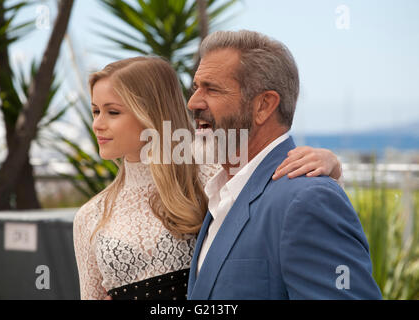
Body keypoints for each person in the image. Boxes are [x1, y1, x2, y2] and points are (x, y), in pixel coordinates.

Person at [73, 56, 343, 300]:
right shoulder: (91, 216)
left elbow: (285, 203)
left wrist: (332, 165)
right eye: (96, 110)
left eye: (113, 112)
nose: (97, 123)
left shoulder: (213, 176)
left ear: (150, 113)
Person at [187, 30, 382, 300]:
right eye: (196, 87)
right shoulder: (221, 194)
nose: (193, 102)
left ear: (264, 106)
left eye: (212, 89)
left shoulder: (308, 200)